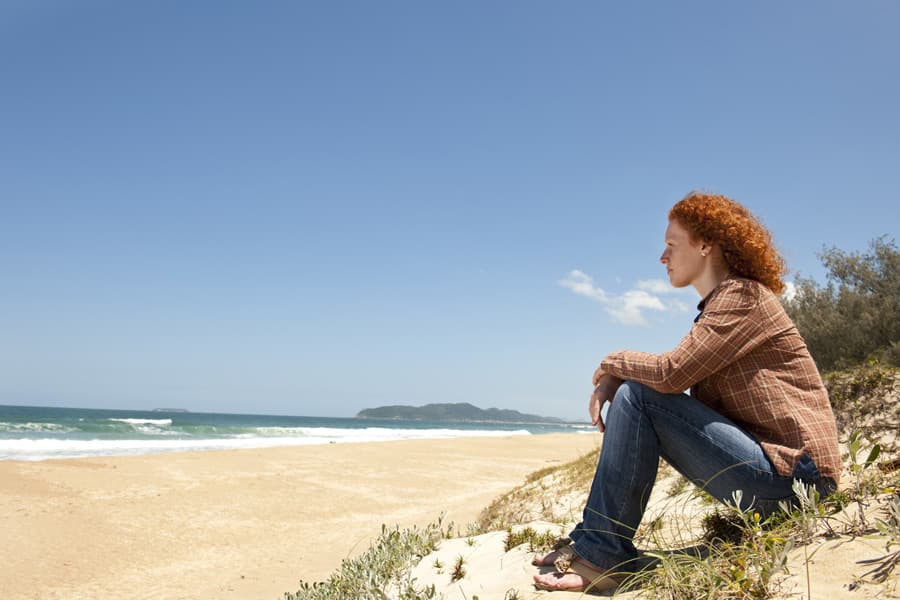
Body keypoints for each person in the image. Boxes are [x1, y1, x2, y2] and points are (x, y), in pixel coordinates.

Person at [533, 192, 841, 593]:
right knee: (638, 392)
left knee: (639, 396)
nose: (663, 257)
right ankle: (593, 541)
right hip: (783, 477)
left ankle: (603, 554)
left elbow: (670, 373)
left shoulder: (743, 298)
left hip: (797, 481)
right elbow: (671, 374)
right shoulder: (724, 305)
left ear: (705, 244)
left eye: (671, 245)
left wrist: (611, 364)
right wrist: (622, 375)